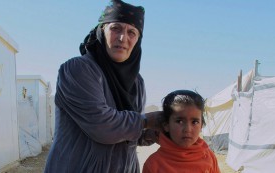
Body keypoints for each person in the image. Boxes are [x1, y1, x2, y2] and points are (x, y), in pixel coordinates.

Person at [44, 0, 161, 173]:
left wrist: (159, 131)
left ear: (138, 40)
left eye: (132, 32)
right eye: (116, 28)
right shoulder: (78, 69)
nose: (123, 38)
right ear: (102, 29)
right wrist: (148, 120)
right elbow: (102, 127)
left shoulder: (137, 83)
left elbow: (129, 134)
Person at [143, 90, 221, 173]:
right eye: (179, 121)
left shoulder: (209, 157)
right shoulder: (153, 164)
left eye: (194, 122)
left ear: (201, 126)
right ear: (166, 125)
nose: (187, 129)